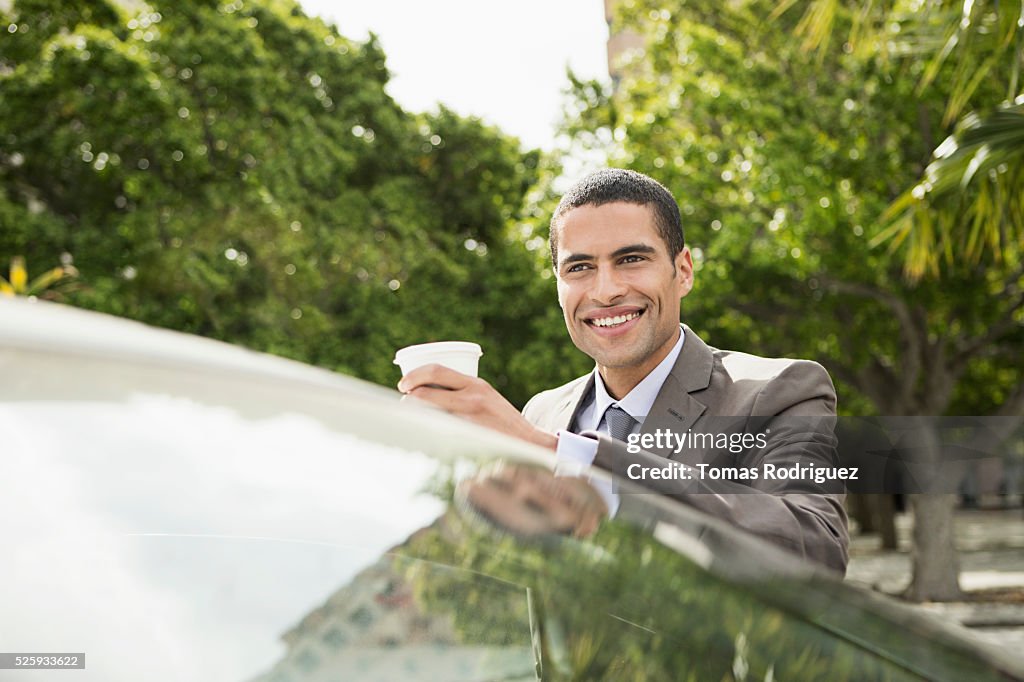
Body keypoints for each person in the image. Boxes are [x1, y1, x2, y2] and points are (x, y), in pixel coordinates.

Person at [399, 168, 849, 573]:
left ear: (684, 270)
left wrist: (571, 458)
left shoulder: (779, 391)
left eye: (631, 259)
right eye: (579, 267)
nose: (606, 290)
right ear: (558, 286)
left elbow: (814, 548)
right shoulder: (541, 413)